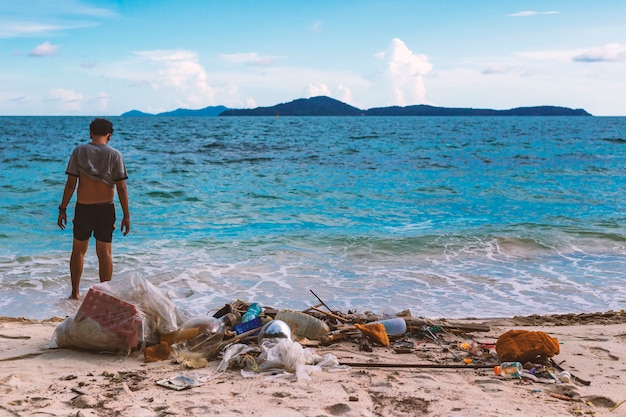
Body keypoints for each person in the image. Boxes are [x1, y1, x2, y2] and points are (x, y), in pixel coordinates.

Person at [57, 118, 130, 299]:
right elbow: (121, 188)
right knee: (104, 253)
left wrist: (63, 208)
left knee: (78, 251)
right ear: (109, 135)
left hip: (84, 208)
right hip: (106, 209)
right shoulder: (115, 155)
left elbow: (70, 184)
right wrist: (126, 215)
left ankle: (74, 293)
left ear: (91, 133)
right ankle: (104, 295)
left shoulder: (79, 151)